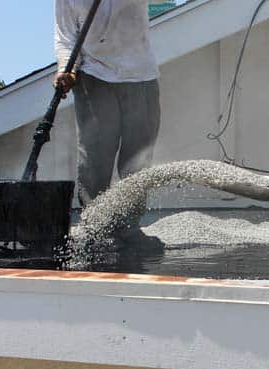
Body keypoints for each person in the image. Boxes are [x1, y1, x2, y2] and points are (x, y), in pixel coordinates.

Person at [55, 0, 162, 245]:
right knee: (95, 155)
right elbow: (65, 35)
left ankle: (129, 228)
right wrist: (66, 68)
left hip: (141, 75)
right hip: (94, 75)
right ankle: (96, 229)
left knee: (138, 157)